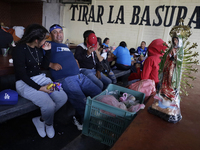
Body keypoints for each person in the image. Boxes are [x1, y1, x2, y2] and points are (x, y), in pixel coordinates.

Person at [12, 24, 68, 138]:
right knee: (49, 105)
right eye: (44, 39)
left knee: (62, 97)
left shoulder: (38, 48)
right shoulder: (19, 49)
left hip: (41, 78)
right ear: (36, 40)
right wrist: (40, 88)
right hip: (24, 83)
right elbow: (22, 74)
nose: (45, 41)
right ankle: (49, 123)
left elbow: (45, 65)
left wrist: (47, 52)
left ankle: (41, 120)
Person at [48, 24, 102, 129]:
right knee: (83, 102)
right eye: (55, 32)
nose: (59, 34)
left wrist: (74, 61)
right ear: (50, 35)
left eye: (60, 32)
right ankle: (84, 123)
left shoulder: (64, 46)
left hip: (79, 76)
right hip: (66, 79)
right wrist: (50, 64)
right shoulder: (47, 45)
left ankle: (97, 116)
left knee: (98, 92)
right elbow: (37, 59)